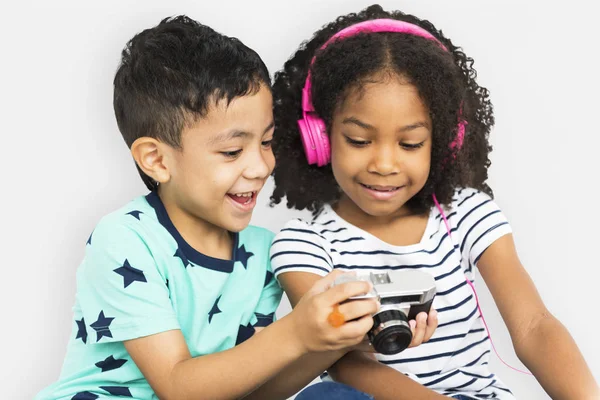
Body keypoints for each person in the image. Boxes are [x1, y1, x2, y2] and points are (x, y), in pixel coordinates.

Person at [35, 15, 381, 400]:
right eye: (232, 151)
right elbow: (179, 387)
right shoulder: (126, 240)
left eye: (266, 143)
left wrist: (335, 338)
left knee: (334, 396)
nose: (261, 166)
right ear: (157, 161)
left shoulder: (263, 252)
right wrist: (296, 330)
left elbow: (252, 393)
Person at [269, 4, 599, 399]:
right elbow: (341, 362)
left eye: (410, 144)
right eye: (359, 140)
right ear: (319, 137)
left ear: (442, 143)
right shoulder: (305, 243)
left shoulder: (466, 215)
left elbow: (533, 325)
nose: (384, 164)